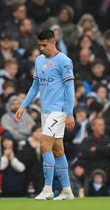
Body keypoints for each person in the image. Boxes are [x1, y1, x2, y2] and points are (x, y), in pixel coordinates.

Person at [16, 30, 76, 200]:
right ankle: (67, 191)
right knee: (57, 149)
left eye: (45, 45)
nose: (42, 48)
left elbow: (70, 88)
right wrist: (23, 106)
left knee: (43, 144)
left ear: (53, 42)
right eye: (39, 45)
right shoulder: (39, 60)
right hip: (45, 111)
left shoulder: (64, 61)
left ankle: (47, 189)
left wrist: (69, 112)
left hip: (59, 110)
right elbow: (35, 86)